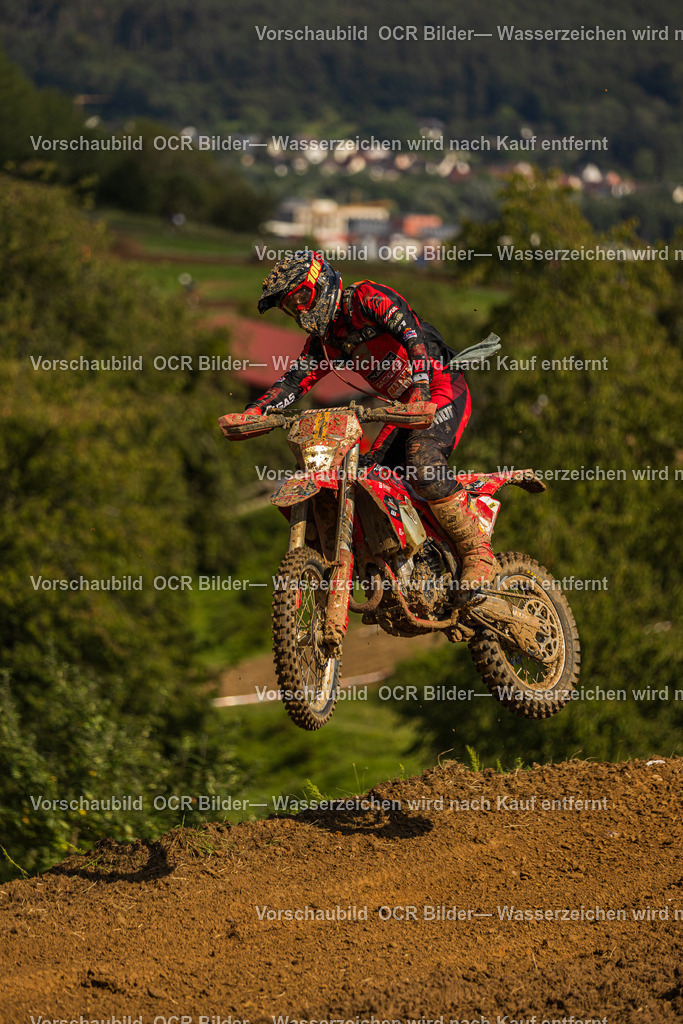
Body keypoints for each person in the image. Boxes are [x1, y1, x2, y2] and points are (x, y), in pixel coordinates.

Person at [242, 251, 494, 588]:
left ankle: (477, 551)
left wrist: (420, 389)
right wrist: (254, 412)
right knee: (368, 480)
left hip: (440, 385)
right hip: (405, 406)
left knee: (422, 460)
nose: (300, 310)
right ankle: (412, 561)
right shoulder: (325, 343)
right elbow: (293, 382)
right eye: (291, 307)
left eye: (302, 296)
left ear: (322, 282)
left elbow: (412, 336)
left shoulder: (366, 299)